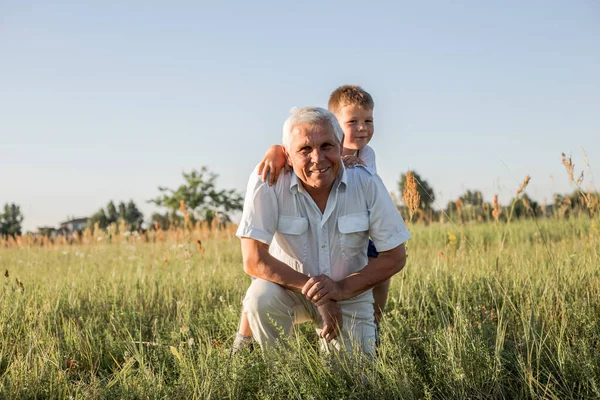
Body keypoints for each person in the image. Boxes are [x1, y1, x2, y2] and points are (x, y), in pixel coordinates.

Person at [235, 106, 410, 357]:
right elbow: (253, 260)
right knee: (260, 296)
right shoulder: (269, 179)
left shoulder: (365, 181)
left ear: (340, 144)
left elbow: (395, 256)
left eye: (327, 146)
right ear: (287, 154)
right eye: (304, 149)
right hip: (288, 291)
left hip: (349, 293)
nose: (317, 158)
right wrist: (321, 296)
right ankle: (280, 373)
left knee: (354, 384)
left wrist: (340, 290)